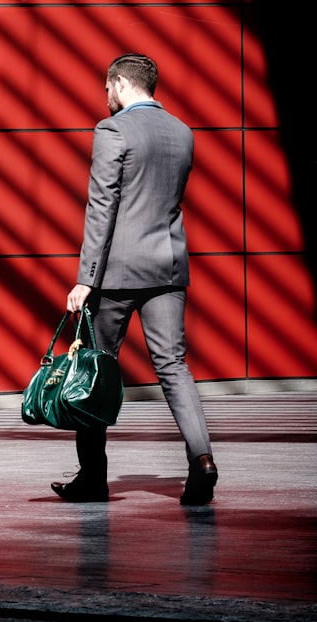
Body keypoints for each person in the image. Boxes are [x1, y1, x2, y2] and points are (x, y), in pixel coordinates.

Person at [51, 53, 218, 506]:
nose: (105, 98)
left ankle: (93, 479)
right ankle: (202, 459)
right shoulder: (182, 132)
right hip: (167, 266)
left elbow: (101, 207)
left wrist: (86, 278)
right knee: (173, 365)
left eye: (106, 89)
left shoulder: (113, 130)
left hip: (119, 271)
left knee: (96, 372)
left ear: (120, 83)